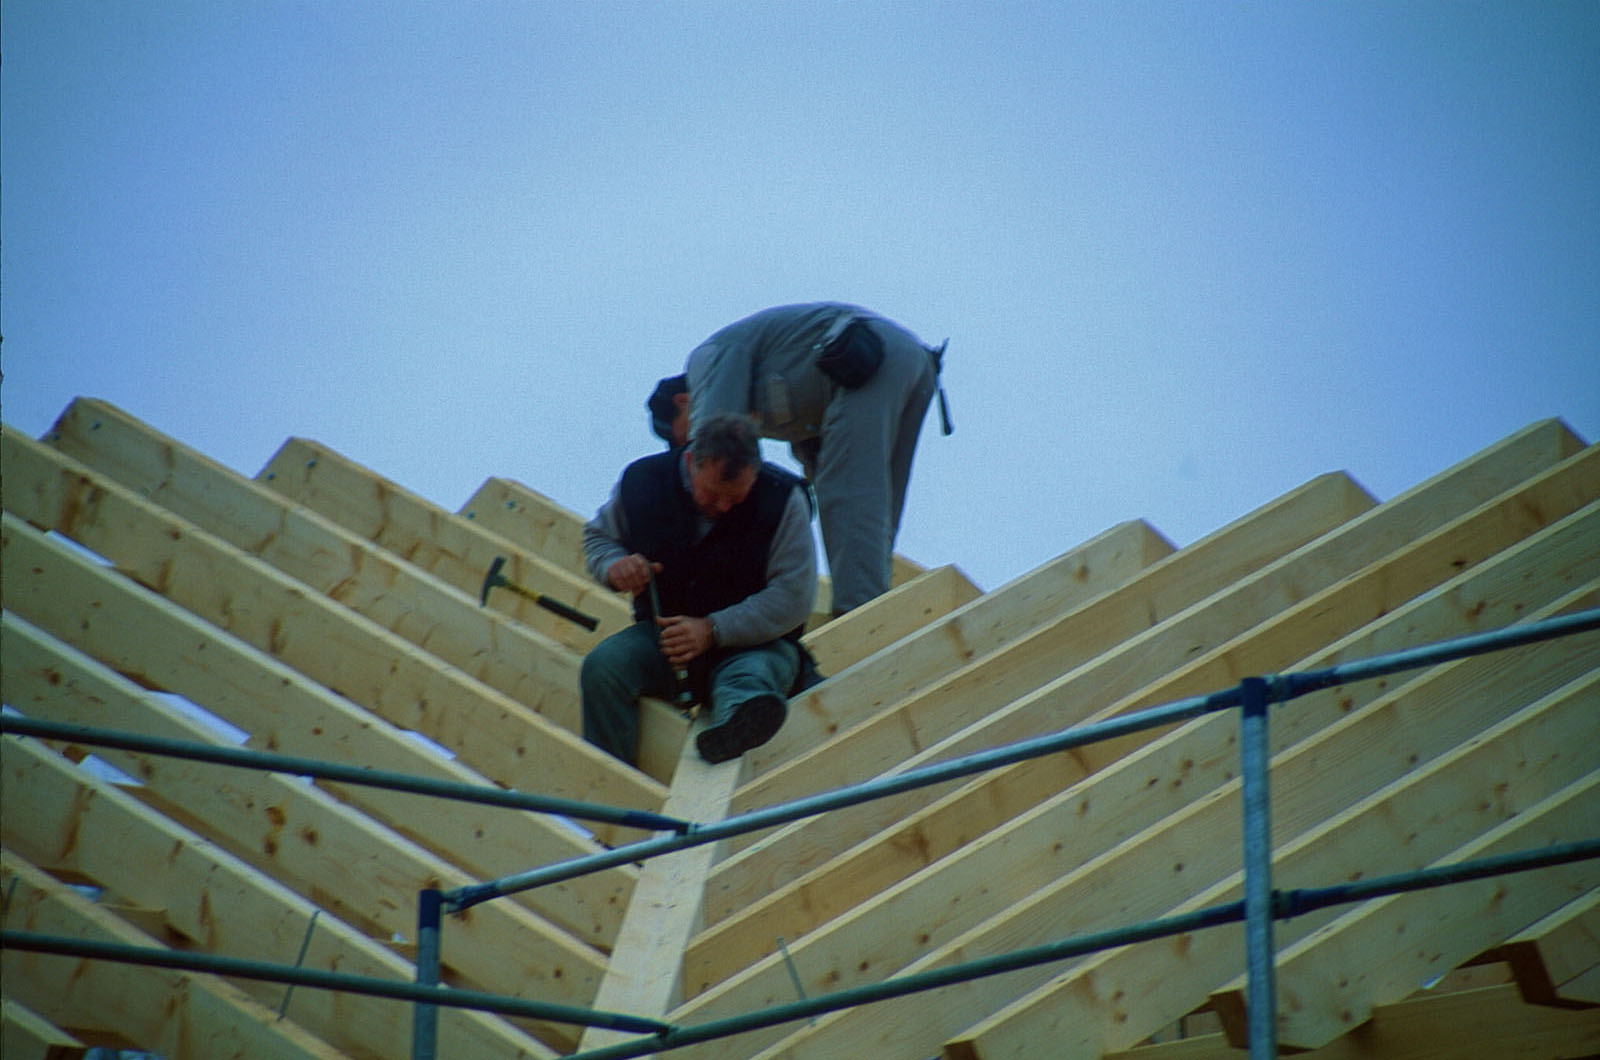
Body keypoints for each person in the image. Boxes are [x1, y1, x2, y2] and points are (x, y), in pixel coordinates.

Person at [646, 302, 950, 615]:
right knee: (877, 510)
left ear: (682, 401)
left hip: (866, 355)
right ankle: (874, 611)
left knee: (850, 498)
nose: (685, 452)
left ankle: (861, 622)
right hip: (910, 365)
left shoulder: (706, 359)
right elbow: (819, 456)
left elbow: (716, 442)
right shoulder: (783, 372)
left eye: (679, 438)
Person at [581, 412, 817, 766]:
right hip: (665, 640)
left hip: (756, 646)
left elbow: (792, 597)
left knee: (748, 682)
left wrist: (712, 630)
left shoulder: (783, 500)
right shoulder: (643, 481)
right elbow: (600, 539)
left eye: (736, 499)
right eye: (712, 495)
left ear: (756, 471)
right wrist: (614, 567)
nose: (723, 507)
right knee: (604, 669)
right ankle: (611, 790)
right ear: (691, 461)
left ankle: (729, 735)